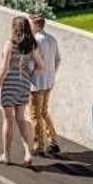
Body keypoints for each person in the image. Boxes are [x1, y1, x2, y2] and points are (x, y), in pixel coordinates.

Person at [0, 16, 44, 167]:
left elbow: (4, 69)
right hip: (23, 84)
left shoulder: (9, 44)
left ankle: (6, 156)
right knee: (21, 118)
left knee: (8, 120)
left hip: (9, 84)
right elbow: (41, 66)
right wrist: (29, 75)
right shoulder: (31, 45)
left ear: (14, 28)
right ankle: (28, 153)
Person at [28, 14, 61, 157]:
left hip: (36, 83)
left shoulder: (34, 41)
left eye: (30, 24)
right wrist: (51, 73)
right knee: (44, 112)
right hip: (48, 82)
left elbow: (30, 64)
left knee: (35, 115)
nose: (28, 27)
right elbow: (58, 59)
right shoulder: (52, 39)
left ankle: (39, 146)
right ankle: (53, 141)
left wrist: (28, 76)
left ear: (36, 25)